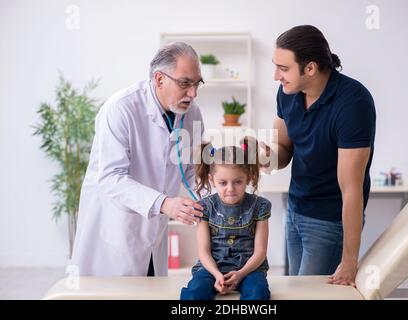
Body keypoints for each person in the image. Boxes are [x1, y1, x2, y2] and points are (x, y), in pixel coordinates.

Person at [71, 42, 205, 276]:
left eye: (197, 84)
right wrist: (165, 204)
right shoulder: (121, 109)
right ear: (159, 79)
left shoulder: (191, 114)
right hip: (116, 228)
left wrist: (220, 201)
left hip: (154, 231)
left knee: (151, 290)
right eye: (185, 83)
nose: (192, 93)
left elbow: (193, 169)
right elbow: (111, 178)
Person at [261, 25, 376, 286]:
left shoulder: (353, 103)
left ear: (310, 68)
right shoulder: (288, 92)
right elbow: (283, 152)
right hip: (295, 209)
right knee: (296, 289)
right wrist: (264, 156)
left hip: (329, 220)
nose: (275, 76)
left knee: (311, 294)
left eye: (283, 68)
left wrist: (350, 260)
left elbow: (351, 189)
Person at [180, 142, 272, 300]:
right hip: (211, 268)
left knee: (258, 293)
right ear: (211, 179)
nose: (230, 188)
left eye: (238, 182)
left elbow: (260, 252)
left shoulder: (261, 206)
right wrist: (217, 275)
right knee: (195, 293)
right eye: (223, 183)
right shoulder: (204, 207)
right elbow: (203, 251)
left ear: (248, 177)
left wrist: (241, 274)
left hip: (249, 269)